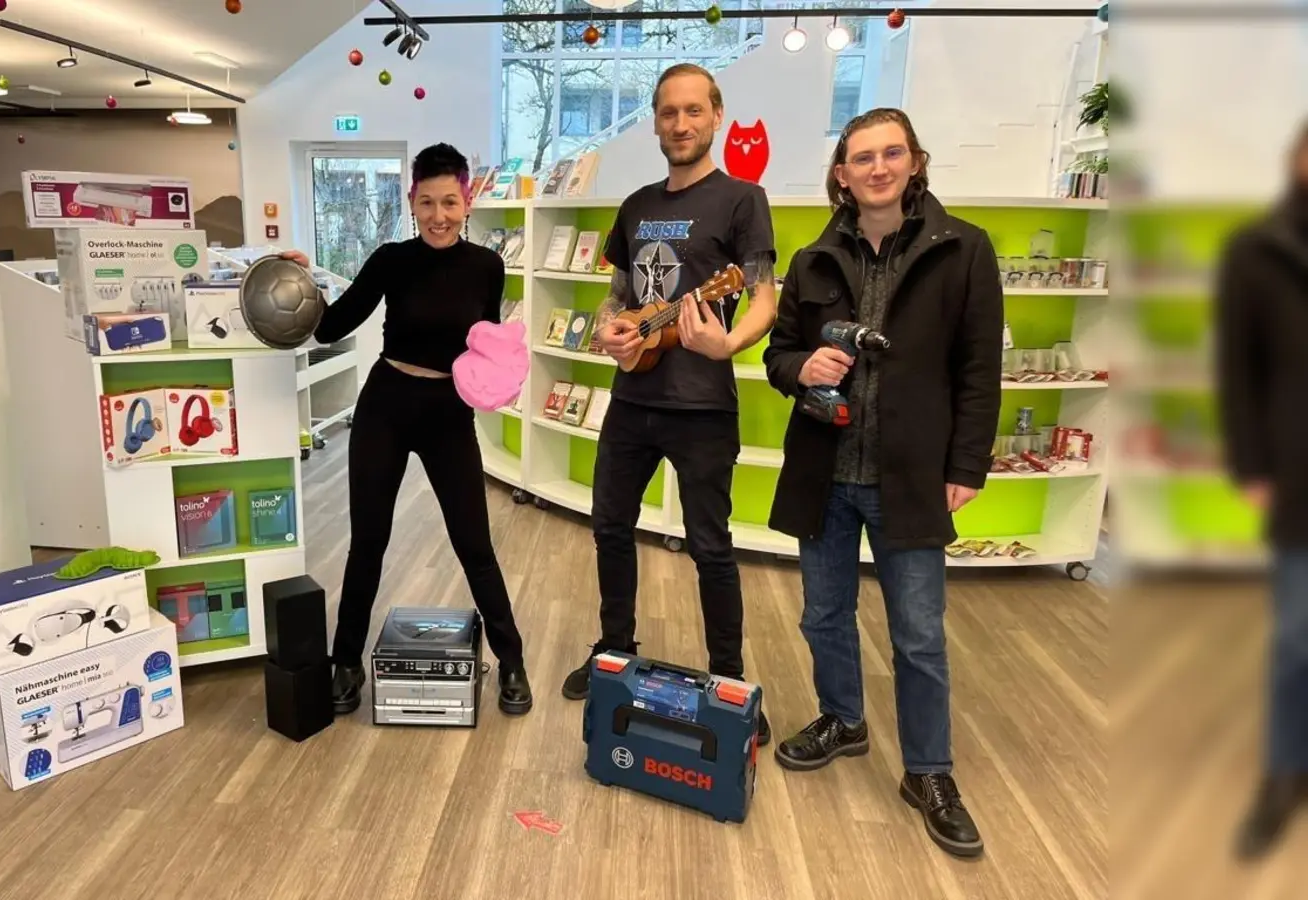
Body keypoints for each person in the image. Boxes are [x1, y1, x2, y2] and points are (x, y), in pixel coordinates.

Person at [761, 108, 1002, 859]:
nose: (877, 167)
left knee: (920, 637)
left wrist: (966, 466)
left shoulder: (962, 250)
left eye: (891, 153)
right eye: (861, 157)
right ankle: (844, 719)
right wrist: (801, 368)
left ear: (915, 161)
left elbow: (978, 371)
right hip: (824, 474)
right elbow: (779, 354)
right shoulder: (812, 258)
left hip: (910, 476)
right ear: (841, 173)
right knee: (822, 618)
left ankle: (928, 772)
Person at [558, 63, 780, 747]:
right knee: (609, 528)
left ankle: (730, 683)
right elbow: (619, 297)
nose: (679, 124)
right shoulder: (634, 206)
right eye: (666, 112)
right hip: (632, 397)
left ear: (716, 116)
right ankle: (613, 650)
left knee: (711, 547)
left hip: (703, 407)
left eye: (692, 111)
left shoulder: (744, 199)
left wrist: (729, 343)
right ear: (654, 121)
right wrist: (609, 329)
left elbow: (765, 293)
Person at [288, 142, 532, 718]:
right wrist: (299, 279)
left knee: (474, 543)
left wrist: (501, 375)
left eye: (450, 201)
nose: (440, 215)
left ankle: (513, 659)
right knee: (368, 541)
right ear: (412, 201)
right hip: (388, 404)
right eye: (428, 202)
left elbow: (485, 341)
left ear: (468, 201)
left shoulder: (487, 266)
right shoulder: (390, 259)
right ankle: (345, 659)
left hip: (449, 412)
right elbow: (330, 327)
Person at [1216, 120, 1308, 861]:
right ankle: (1284, 774)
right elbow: (1238, 368)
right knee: (1297, 640)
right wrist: (1251, 463)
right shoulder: (1260, 250)